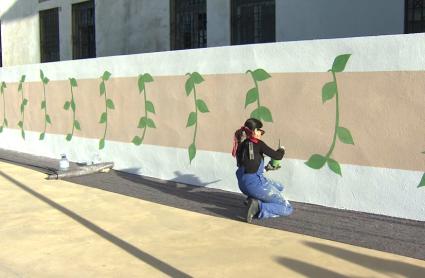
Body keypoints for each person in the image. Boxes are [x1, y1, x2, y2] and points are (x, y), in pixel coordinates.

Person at [232, 118, 293, 223]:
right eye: (260, 130)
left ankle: (252, 199)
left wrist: (267, 168)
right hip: (255, 184)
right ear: (255, 131)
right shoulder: (257, 143)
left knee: (279, 187)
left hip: (243, 184)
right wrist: (282, 149)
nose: (261, 133)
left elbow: (249, 168)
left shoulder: (241, 145)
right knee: (287, 208)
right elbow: (277, 156)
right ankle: (258, 207)